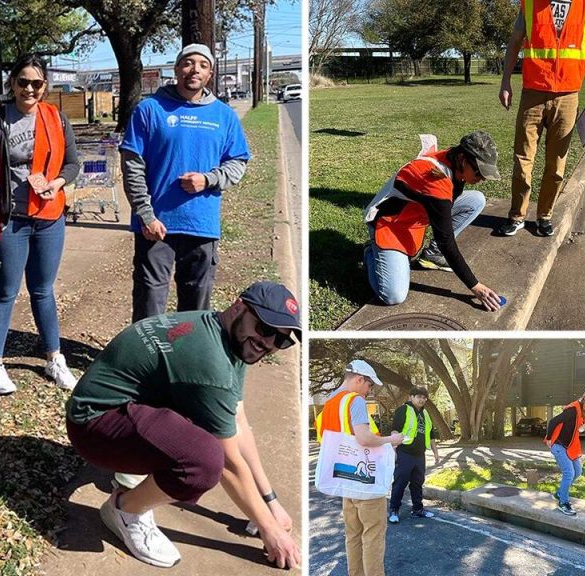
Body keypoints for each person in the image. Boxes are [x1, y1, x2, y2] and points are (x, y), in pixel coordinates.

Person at [66, 281, 301, 569]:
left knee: (211, 424)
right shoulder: (210, 361)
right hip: (93, 427)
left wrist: (270, 503)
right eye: (265, 329)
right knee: (203, 463)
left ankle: (132, 475)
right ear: (239, 306)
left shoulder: (227, 336)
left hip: (122, 408)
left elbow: (237, 422)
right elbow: (228, 463)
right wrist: (270, 530)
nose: (268, 343)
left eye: (281, 340)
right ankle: (125, 510)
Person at [121, 43, 250, 322]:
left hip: (201, 225)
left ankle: (186, 361)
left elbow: (238, 163)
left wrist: (208, 179)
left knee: (195, 309)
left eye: (203, 65)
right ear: (177, 69)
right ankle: (145, 361)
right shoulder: (149, 109)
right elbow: (132, 166)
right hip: (155, 225)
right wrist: (146, 215)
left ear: (210, 74)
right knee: (149, 304)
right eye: (188, 63)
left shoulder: (224, 116)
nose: (195, 70)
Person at [0, 55, 80, 395]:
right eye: (23, 82)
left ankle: (54, 357)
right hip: (10, 221)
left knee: (43, 290)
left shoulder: (56, 118)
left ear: (45, 86)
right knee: (5, 292)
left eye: (36, 83)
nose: (29, 89)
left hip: (49, 217)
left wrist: (59, 183)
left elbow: (73, 162)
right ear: (12, 84)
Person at [496, 0, 585, 237]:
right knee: (523, 159)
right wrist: (505, 82)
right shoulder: (531, 3)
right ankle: (517, 216)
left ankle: (544, 216)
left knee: (556, 164)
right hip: (532, 93)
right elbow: (515, 41)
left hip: (568, 96)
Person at [362, 131, 504, 310]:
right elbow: (446, 240)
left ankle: (434, 255)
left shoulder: (452, 160)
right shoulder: (435, 181)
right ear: (462, 159)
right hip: (389, 224)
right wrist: (475, 286)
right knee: (393, 295)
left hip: (414, 215)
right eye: (479, 172)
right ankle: (370, 252)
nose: (482, 178)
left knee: (476, 200)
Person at [317, 360, 404, 576]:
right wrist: (391, 439)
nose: (369, 391)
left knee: (353, 535)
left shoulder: (329, 403)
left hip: (345, 480)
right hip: (365, 481)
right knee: (373, 536)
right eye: (369, 385)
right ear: (358, 379)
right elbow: (364, 438)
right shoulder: (354, 401)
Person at [545, 385, 585, 516]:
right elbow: (553, 422)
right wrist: (548, 438)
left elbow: (572, 428)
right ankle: (563, 503)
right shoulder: (572, 410)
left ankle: (560, 493)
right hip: (558, 445)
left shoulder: (584, 411)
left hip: (569, 446)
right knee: (569, 472)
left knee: (578, 471)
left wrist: (580, 429)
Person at [387, 388, 440, 524]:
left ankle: (418, 509)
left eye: (424, 397)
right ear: (411, 397)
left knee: (417, 483)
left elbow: (431, 435)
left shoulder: (426, 414)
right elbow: (394, 430)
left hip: (419, 455)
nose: (422, 400)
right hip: (405, 453)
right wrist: (393, 450)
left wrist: (435, 453)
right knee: (400, 482)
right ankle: (394, 510)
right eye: (419, 397)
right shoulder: (403, 410)